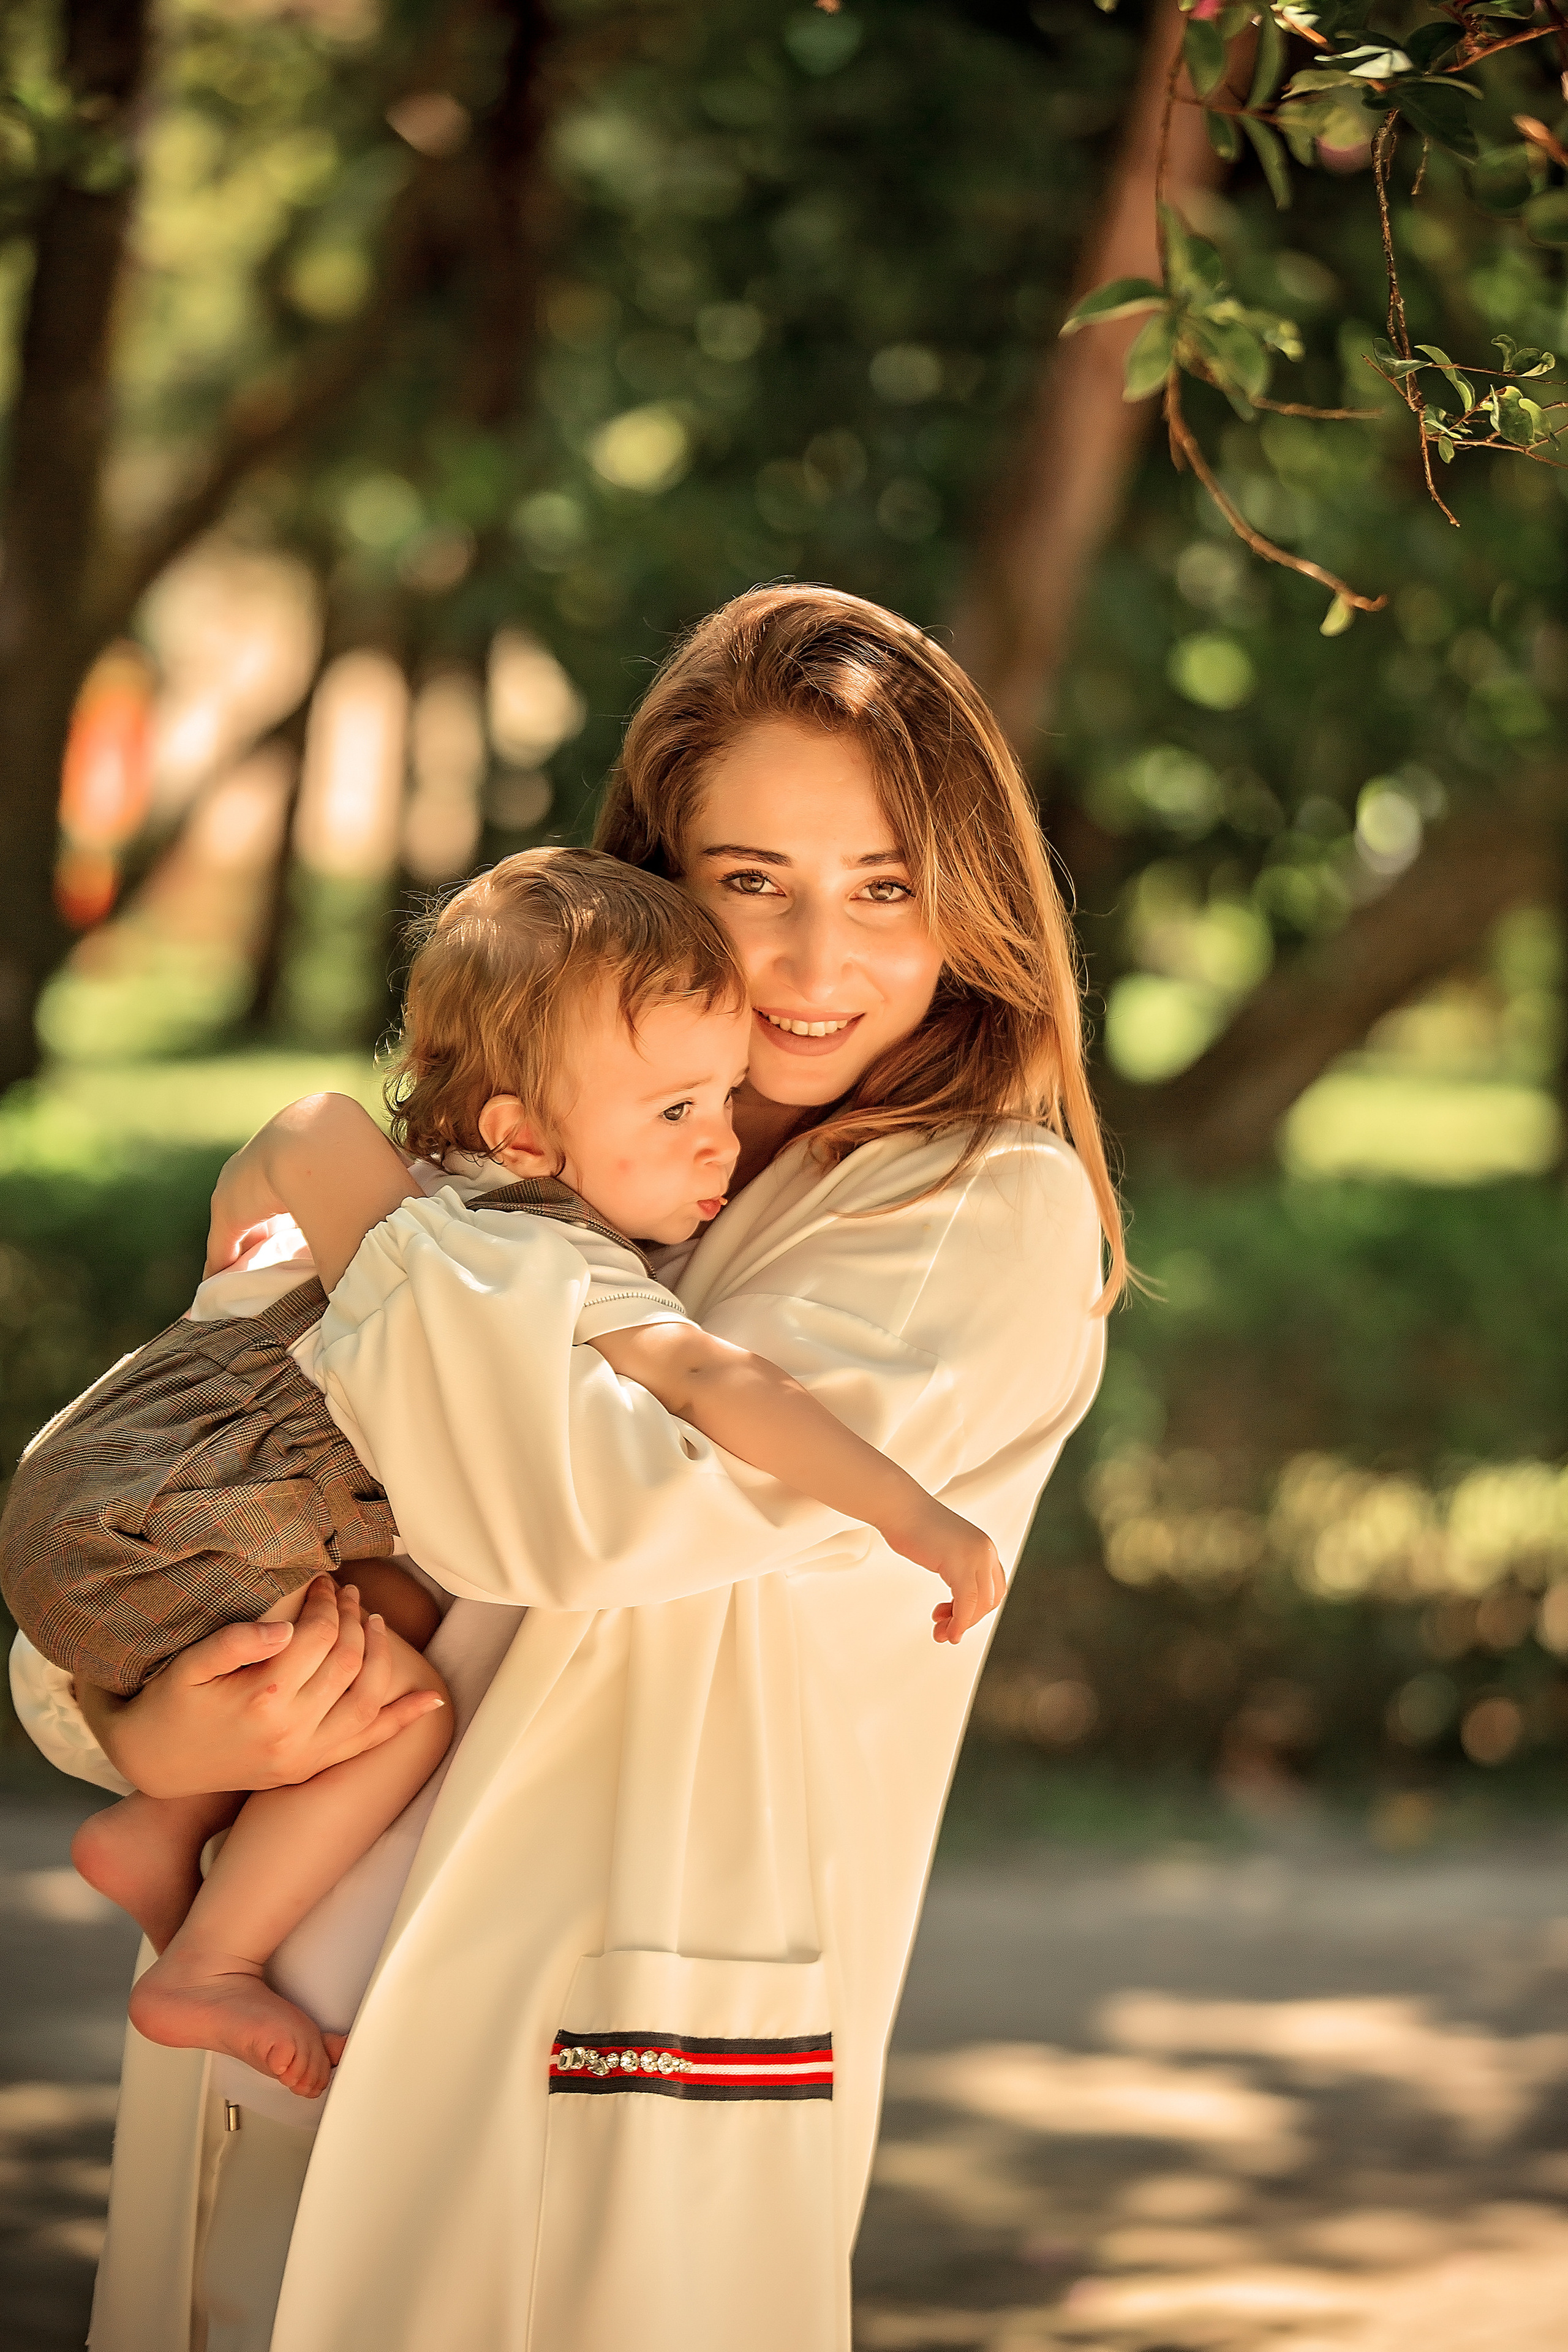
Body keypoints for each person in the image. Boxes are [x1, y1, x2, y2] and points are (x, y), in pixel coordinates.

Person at [10, 584, 1122, 2352]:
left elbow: (573, 1513)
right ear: (657, 885)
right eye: (751, 882)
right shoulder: (537, 1151)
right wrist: (142, 1726)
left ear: (973, 899)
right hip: (268, 1993)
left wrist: (351, 1185)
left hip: (580, 2062)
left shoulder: (978, 1209)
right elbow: (177, 1473)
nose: (816, 965)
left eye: (886, 887)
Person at [4, 850, 1006, 2101]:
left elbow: (280, 1152)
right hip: (178, 1530)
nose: (720, 1140)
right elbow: (722, 1385)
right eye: (677, 1110)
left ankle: (162, 1826)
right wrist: (913, 1512)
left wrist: (226, 1272)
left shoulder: (411, 1189)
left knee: (389, 1606)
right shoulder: (547, 1258)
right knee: (400, 1712)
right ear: (523, 1134)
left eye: (726, 1096)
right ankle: (207, 1961)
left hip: (92, 1484)